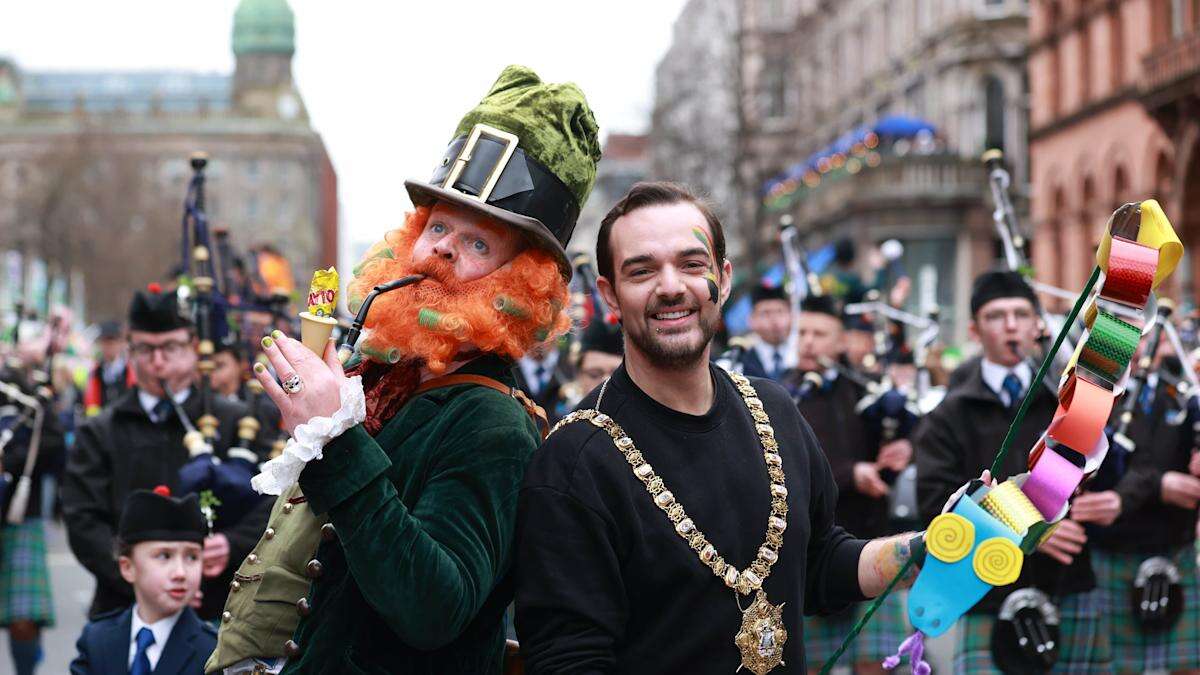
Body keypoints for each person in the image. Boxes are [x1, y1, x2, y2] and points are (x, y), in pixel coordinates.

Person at [205, 64, 599, 674]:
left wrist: (334, 441)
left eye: (477, 244)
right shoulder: (390, 376)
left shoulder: (492, 421)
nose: (442, 248)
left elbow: (434, 609)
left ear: (519, 285)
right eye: (438, 226)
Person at [514, 182, 931, 674]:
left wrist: (928, 548)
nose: (671, 287)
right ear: (610, 295)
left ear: (723, 278)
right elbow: (569, 660)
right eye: (642, 270)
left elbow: (818, 565)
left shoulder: (775, 410)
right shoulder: (575, 459)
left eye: (692, 264)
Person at [913, 270, 1109, 673]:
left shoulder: (1067, 404)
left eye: (1021, 314)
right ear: (973, 329)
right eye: (995, 316)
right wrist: (1030, 534)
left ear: (1038, 325)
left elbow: (1100, 478)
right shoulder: (949, 416)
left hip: (1069, 587)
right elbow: (936, 505)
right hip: (988, 592)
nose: (1011, 326)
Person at [63, 285, 271, 621]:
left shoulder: (235, 421)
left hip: (218, 608)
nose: (157, 363)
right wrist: (138, 578)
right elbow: (83, 519)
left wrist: (232, 543)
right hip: (123, 608)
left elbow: (273, 498)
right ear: (130, 351)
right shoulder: (100, 430)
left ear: (193, 347)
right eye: (146, 349)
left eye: (170, 348)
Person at [781, 294, 912, 675]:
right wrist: (851, 474)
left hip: (870, 542)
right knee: (813, 666)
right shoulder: (781, 396)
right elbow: (788, 469)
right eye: (802, 332)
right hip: (809, 556)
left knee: (875, 664)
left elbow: (900, 442)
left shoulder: (866, 392)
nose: (807, 341)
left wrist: (904, 449)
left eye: (819, 333)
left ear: (841, 342)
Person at [1084, 345, 1200, 675]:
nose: (1132, 347)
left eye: (1142, 335)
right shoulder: (1082, 397)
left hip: (1173, 549)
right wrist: (1159, 484)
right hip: (1111, 550)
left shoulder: (1176, 392)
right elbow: (1110, 465)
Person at [70, 486, 217, 675]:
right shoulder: (97, 640)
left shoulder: (213, 652)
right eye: (164, 556)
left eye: (192, 557)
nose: (180, 573)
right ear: (128, 568)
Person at [0, 353, 67, 675]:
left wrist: (8, 462)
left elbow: (54, 444)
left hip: (18, 516)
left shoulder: (18, 386)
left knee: (23, 621)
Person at [739, 285, 795, 382]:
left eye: (780, 311)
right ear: (751, 320)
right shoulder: (740, 362)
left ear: (792, 316)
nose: (774, 320)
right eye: (766, 313)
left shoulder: (803, 356)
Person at [84, 320, 134, 417]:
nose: (108, 347)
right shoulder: (95, 372)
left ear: (120, 343)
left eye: (111, 343)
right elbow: (91, 405)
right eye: (104, 343)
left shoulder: (130, 371)